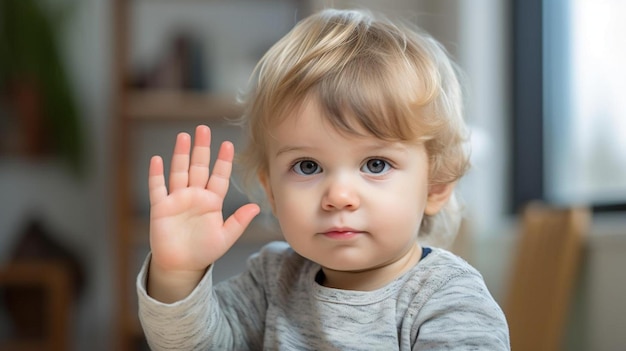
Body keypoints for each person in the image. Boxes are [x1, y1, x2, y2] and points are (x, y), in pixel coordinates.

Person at [137, 8, 510, 350]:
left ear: (436, 185)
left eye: (376, 164)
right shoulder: (270, 281)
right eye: (308, 167)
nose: (339, 196)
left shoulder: (447, 298)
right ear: (271, 190)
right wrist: (177, 274)